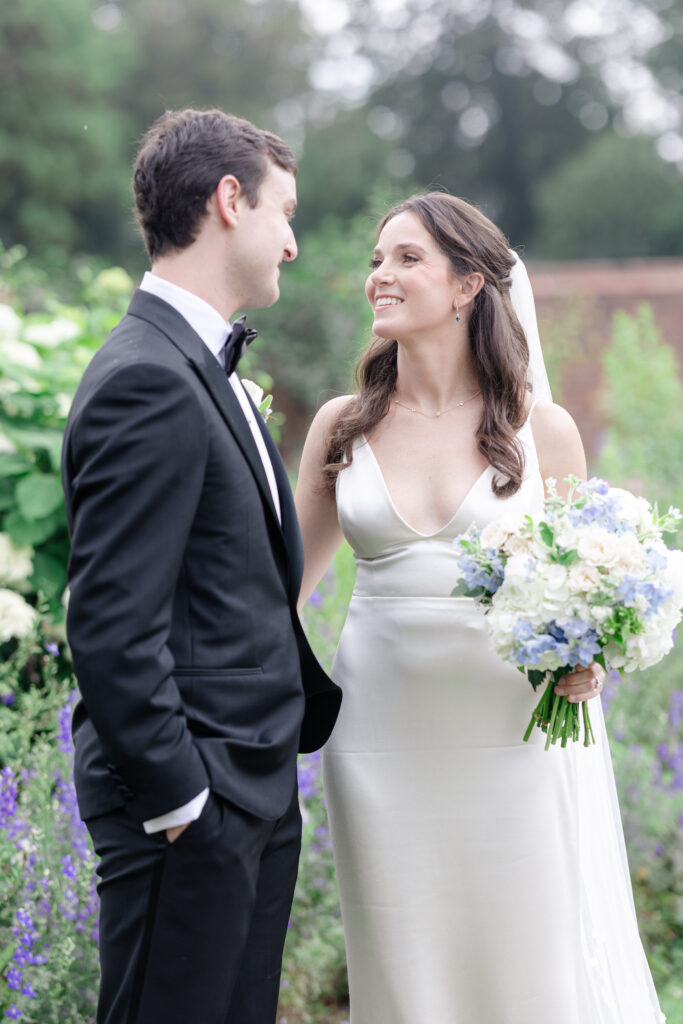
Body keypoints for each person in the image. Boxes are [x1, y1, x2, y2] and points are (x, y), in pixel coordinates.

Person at [295, 192, 664, 1023]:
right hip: (379, 737)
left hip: (513, 735)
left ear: (467, 287)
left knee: (526, 955)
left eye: (405, 258)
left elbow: (589, 587)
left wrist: (590, 661)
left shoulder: (543, 431)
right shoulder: (339, 429)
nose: (379, 276)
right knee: (404, 956)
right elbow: (279, 589)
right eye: (375, 260)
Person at [61, 108, 341, 1024]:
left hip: (246, 790)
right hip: (192, 810)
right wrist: (185, 804)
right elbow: (109, 620)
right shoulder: (147, 375)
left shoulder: (194, 363)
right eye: (284, 212)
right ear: (229, 201)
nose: (292, 244)